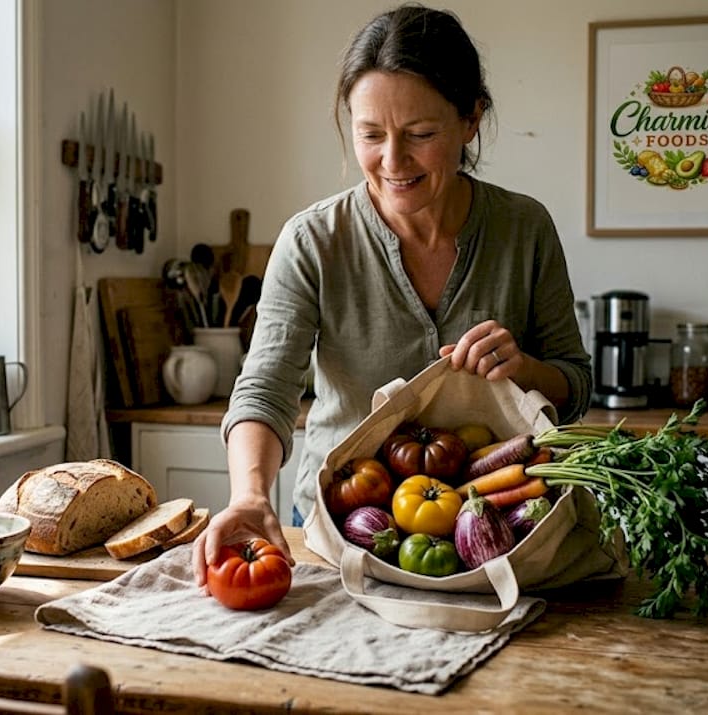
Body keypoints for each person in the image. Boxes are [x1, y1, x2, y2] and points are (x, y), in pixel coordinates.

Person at [192, 3, 590, 585]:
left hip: (495, 533)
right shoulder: (313, 241)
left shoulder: (524, 229)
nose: (392, 161)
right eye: (370, 135)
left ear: (471, 119)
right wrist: (251, 494)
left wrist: (524, 367)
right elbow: (265, 389)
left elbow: (574, 385)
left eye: (421, 135)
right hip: (340, 525)